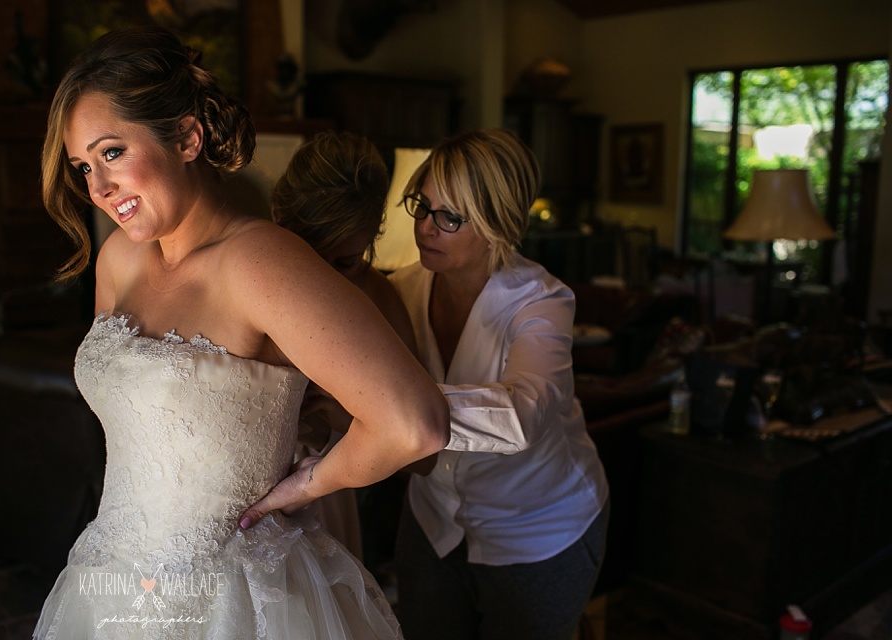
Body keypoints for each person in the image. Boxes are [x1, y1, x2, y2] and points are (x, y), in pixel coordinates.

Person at [33, 25, 449, 639]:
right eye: (82, 166)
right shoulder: (119, 258)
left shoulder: (261, 262)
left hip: (234, 598)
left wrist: (304, 486)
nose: (97, 188)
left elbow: (414, 423)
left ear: (187, 137)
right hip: (115, 578)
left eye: (112, 152)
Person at [389, 128, 610, 640]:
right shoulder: (401, 289)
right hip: (433, 519)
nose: (426, 227)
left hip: (540, 526)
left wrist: (392, 404)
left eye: (449, 217)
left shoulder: (541, 303)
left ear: (497, 225)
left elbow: (522, 413)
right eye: (422, 206)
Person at [269, 129, 417, 566]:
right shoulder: (243, 270)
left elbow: (421, 456)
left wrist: (341, 410)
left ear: (372, 240)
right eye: (310, 254)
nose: (326, 282)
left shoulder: (380, 298)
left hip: (322, 491)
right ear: (278, 217)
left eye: (345, 264)